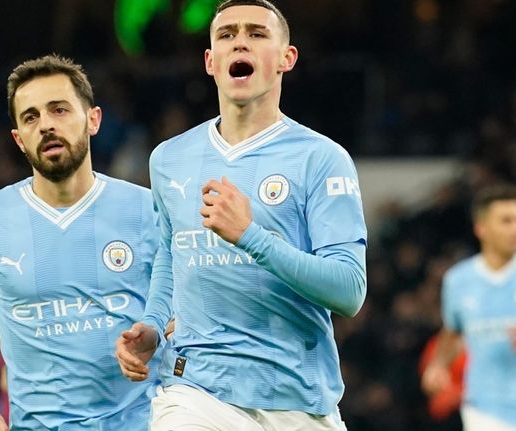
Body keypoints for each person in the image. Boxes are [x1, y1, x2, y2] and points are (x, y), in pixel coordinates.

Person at [115, 1, 367, 430]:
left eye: (256, 33)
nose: (240, 43)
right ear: (211, 62)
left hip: (297, 399)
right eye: (227, 35)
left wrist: (250, 235)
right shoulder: (170, 159)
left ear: (286, 58)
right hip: (195, 391)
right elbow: (169, 257)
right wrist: (154, 325)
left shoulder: (321, 158)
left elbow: (349, 291)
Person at [0, 54, 161, 431]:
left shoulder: (148, 210)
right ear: (18, 139)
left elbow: (185, 308)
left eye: (59, 110)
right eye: (30, 117)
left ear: (93, 120)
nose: (45, 125)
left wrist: (157, 333)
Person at [421, 184, 516, 431]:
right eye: (507, 221)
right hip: (487, 410)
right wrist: (438, 366)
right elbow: (452, 332)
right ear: (481, 228)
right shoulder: (458, 281)